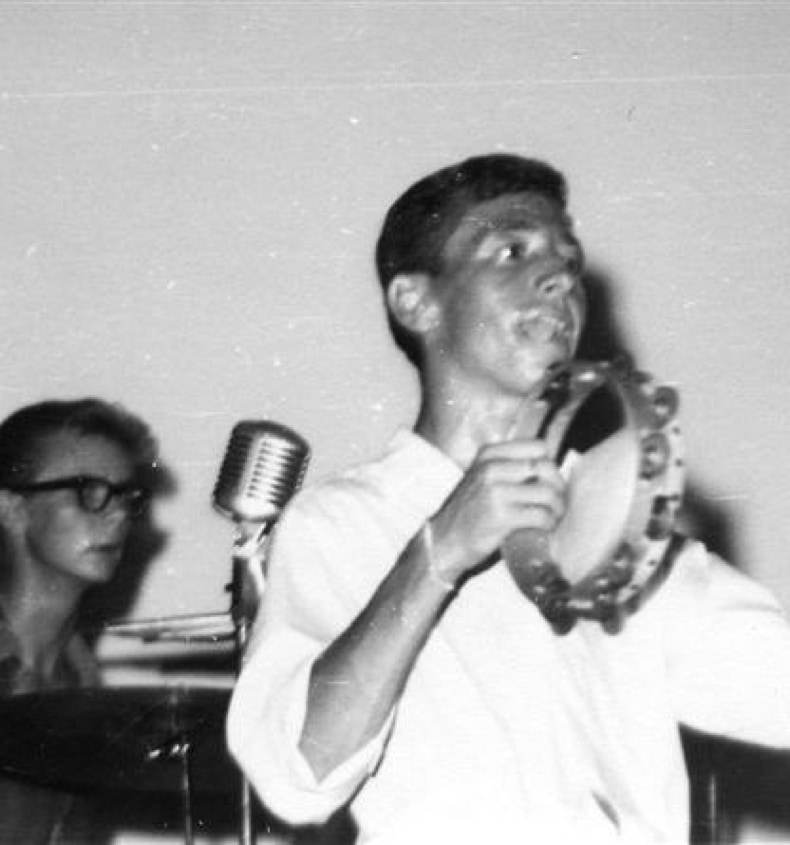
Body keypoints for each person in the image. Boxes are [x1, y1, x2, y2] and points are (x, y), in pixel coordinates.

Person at [227, 153, 790, 844]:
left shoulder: (617, 515)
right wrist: (437, 552)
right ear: (415, 302)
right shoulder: (339, 523)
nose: (560, 279)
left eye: (569, 261)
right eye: (512, 250)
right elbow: (295, 778)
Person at [0, 397, 157, 843]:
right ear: (12, 507)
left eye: (127, 497)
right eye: (89, 491)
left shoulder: (83, 685)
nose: (119, 514)